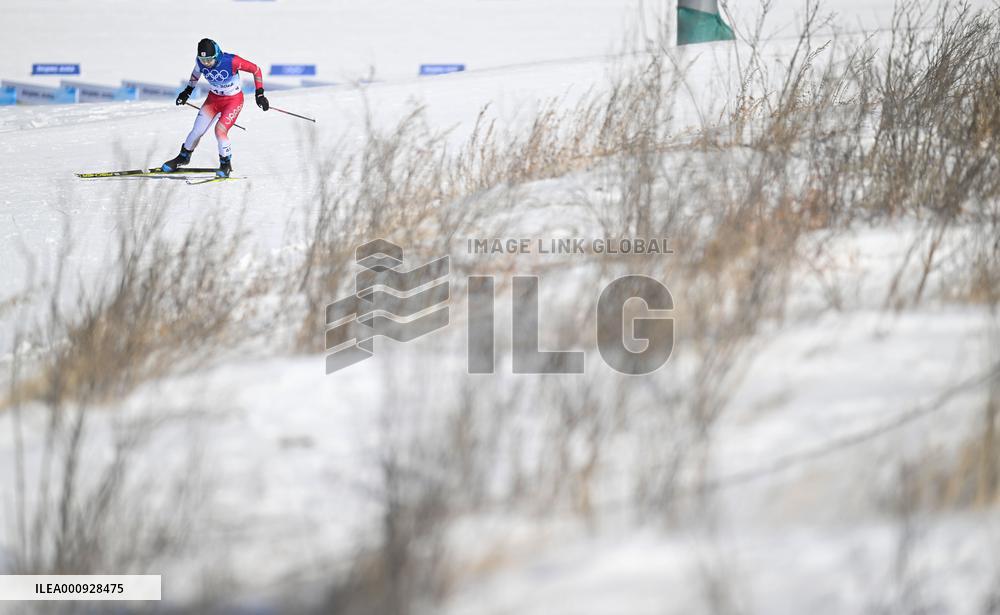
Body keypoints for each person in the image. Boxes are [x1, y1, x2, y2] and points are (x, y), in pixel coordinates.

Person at [161, 38, 269, 178]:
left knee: (219, 131)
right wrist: (187, 92)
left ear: (217, 55)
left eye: (209, 60)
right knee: (196, 130)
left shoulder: (232, 61)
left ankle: (225, 164)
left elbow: (256, 70)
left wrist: (259, 94)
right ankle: (184, 157)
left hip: (233, 101)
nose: (206, 63)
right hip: (213, 100)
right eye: (203, 60)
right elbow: (195, 74)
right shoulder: (200, 61)